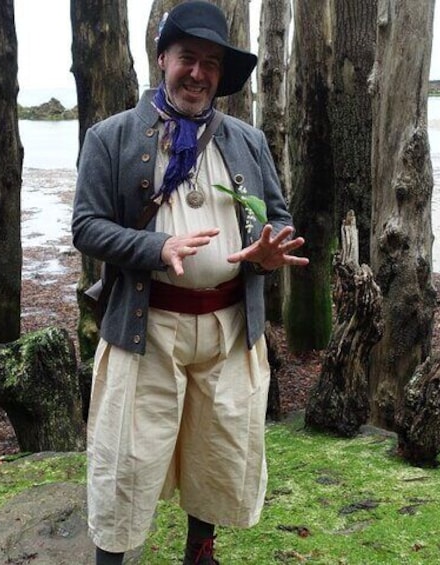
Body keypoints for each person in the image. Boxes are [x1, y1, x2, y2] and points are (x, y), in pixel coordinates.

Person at [71, 2, 308, 563]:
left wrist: (268, 252)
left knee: (217, 444)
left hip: (229, 327)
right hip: (146, 326)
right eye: (187, 59)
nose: (198, 74)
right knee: (128, 456)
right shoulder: (112, 137)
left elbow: (277, 214)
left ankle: (199, 550)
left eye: (210, 63)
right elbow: (86, 225)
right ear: (162, 59)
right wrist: (157, 247)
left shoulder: (247, 141)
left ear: (221, 76)